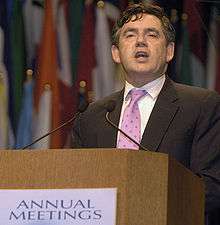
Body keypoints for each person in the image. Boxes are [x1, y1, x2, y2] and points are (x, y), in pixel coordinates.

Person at [72, 2, 220, 216]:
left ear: (169, 51)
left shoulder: (202, 106)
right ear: (116, 53)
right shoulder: (92, 117)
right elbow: (77, 187)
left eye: (151, 34)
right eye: (130, 35)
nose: (140, 41)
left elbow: (211, 189)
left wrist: (146, 204)